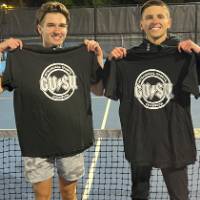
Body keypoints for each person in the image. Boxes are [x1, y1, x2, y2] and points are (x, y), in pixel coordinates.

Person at [0, 2, 103, 200]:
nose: (57, 30)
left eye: (62, 25)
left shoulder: (81, 56)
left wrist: (98, 57)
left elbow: (99, 90)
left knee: (68, 194)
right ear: (40, 28)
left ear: (67, 29)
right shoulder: (22, 58)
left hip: (71, 139)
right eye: (51, 25)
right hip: (36, 142)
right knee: (42, 196)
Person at [104, 0, 200, 200]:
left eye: (160, 16)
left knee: (180, 196)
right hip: (141, 140)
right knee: (139, 195)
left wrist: (197, 51)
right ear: (141, 24)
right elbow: (102, 86)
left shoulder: (183, 55)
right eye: (148, 17)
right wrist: (111, 60)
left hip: (173, 140)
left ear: (169, 22)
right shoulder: (126, 59)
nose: (154, 21)